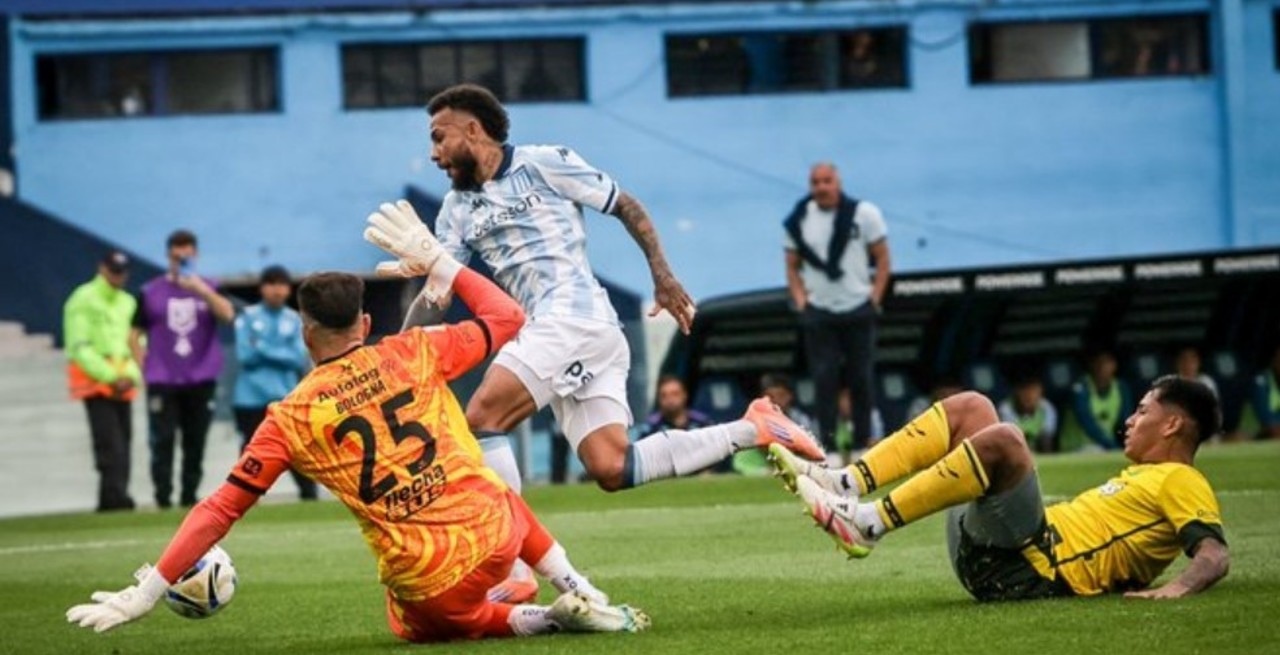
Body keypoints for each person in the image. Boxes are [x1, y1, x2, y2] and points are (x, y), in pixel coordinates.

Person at [65, 262, 648, 641]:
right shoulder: (414, 351)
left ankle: (544, 620)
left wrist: (147, 592)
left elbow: (219, 509)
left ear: (303, 331)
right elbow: (509, 316)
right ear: (365, 323)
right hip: (498, 537)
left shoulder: (290, 418)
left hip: (431, 581)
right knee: (497, 497)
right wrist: (443, 262)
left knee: (416, 624)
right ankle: (579, 588)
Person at [367, 149, 822, 601]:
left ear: (471, 129)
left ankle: (517, 569)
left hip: (572, 318)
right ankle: (754, 426)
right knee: (611, 466)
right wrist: (398, 356)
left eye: (439, 137)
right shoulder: (456, 208)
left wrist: (661, 274)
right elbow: (440, 287)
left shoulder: (543, 162)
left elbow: (625, 203)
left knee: (484, 416)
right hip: (569, 335)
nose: (434, 153)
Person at [769, 376, 1229, 601]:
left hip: (1032, 572)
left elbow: (1214, 555)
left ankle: (868, 524)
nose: (1130, 419)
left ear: (1172, 424)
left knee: (1007, 440)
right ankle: (844, 482)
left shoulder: (1183, 480)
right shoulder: (1145, 476)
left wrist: (1176, 590)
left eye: (1144, 412)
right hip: (1004, 550)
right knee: (974, 407)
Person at [784, 162, 891, 459]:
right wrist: (801, 301)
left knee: (861, 379)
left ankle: (860, 446)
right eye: (815, 182)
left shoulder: (864, 214)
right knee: (824, 381)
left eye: (826, 181)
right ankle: (828, 449)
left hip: (859, 306)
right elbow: (791, 265)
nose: (821, 187)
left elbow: (883, 259)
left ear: (838, 182)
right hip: (820, 310)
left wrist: (875, 298)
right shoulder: (799, 218)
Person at [130, 230, 235, 508]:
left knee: (195, 441)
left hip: (201, 378)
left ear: (195, 254)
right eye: (177, 255)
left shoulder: (210, 286)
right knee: (162, 441)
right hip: (162, 380)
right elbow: (134, 334)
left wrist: (200, 290)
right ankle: (162, 498)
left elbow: (227, 315)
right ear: (169, 256)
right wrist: (145, 366)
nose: (182, 259)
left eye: (187, 254)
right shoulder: (151, 291)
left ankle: (189, 497)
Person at [63, 251, 142, 512]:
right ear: (102, 268)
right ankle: (113, 497)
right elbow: (79, 346)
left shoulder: (128, 302)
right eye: (114, 270)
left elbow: (137, 342)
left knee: (124, 442)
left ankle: (117, 495)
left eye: (122, 271)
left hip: (124, 383)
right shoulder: (82, 299)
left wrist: (130, 375)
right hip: (95, 383)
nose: (118, 276)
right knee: (109, 445)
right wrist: (110, 376)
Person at [232, 265, 315, 500]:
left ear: (289, 289)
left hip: (284, 397)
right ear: (262, 288)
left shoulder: (295, 319)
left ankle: (309, 497)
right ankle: (241, 499)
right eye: (272, 284)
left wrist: (263, 348)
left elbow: (297, 358)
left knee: (297, 451)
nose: (277, 290)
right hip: (249, 398)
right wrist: (280, 352)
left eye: (282, 285)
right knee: (251, 451)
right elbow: (244, 355)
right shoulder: (248, 316)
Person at [1068, 351, 1130, 450]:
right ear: (1091, 364)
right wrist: (1112, 446)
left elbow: (1126, 421)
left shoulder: (1121, 388)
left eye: (1106, 362)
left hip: (1104, 447)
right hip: (1076, 447)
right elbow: (1087, 421)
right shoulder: (1080, 388)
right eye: (1098, 362)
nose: (1102, 367)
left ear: (1114, 365)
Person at [997, 377, 1058, 453]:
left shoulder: (1047, 408)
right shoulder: (1005, 408)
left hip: (1039, 450)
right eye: (1024, 390)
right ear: (1017, 391)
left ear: (1040, 391)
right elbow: (1011, 439)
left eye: (1033, 390)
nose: (1029, 395)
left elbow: (1047, 437)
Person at [641, 375, 714, 436]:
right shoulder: (651, 427)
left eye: (675, 394)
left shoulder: (702, 424)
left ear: (685, 395)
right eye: (664, 395)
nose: (670, 400)